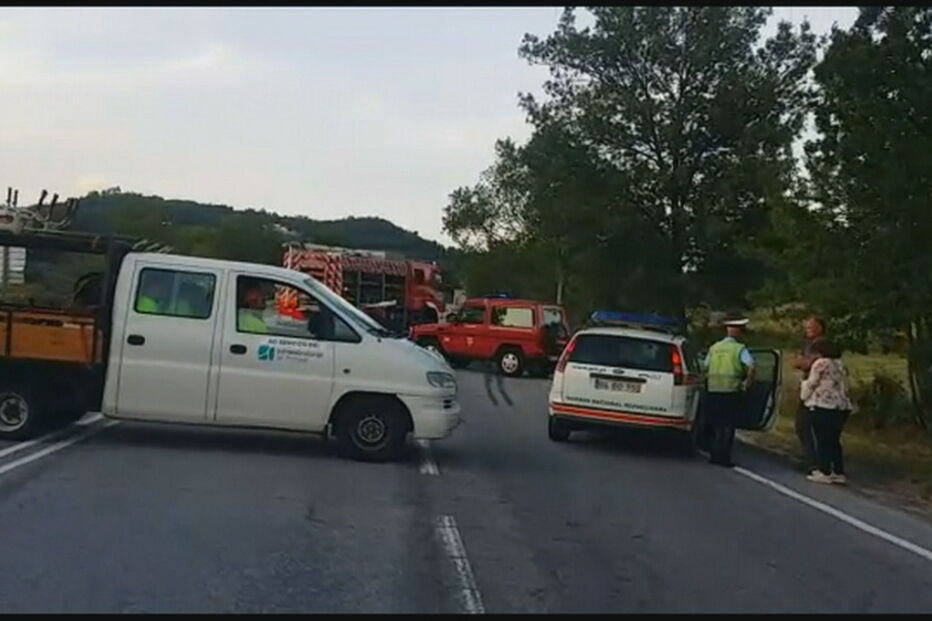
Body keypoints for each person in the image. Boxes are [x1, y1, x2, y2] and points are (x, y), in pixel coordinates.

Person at [702, 312, 756, 467]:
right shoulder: (739, 349)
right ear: (738, 331)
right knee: (727, 426)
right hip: (731, 391)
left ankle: (713, 454)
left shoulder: (715, 347)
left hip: (713, 390)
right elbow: (752, 368)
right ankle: (723, 457)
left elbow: (705, 367)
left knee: (715, 424)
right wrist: (746, 384)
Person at [801, 339, 853, 484]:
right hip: (842, 406)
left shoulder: (820, 364)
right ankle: (838, 471)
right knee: (834, 440)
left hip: (823, 405)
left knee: (822, 439)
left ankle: (824, 470)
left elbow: (812, 383)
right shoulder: (840, 365)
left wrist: (804, 394)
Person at [793, 315, 828, 473]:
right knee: (803, 425)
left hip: (817, 391)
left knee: (807, 425)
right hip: (810, 388)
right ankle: (810, 458)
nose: (807, 330)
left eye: (810, 327)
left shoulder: (821, 345)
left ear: (819, 328)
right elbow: (796, 362)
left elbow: (806, 363)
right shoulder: (809, 345)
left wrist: (804, 362)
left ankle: (813, 460)